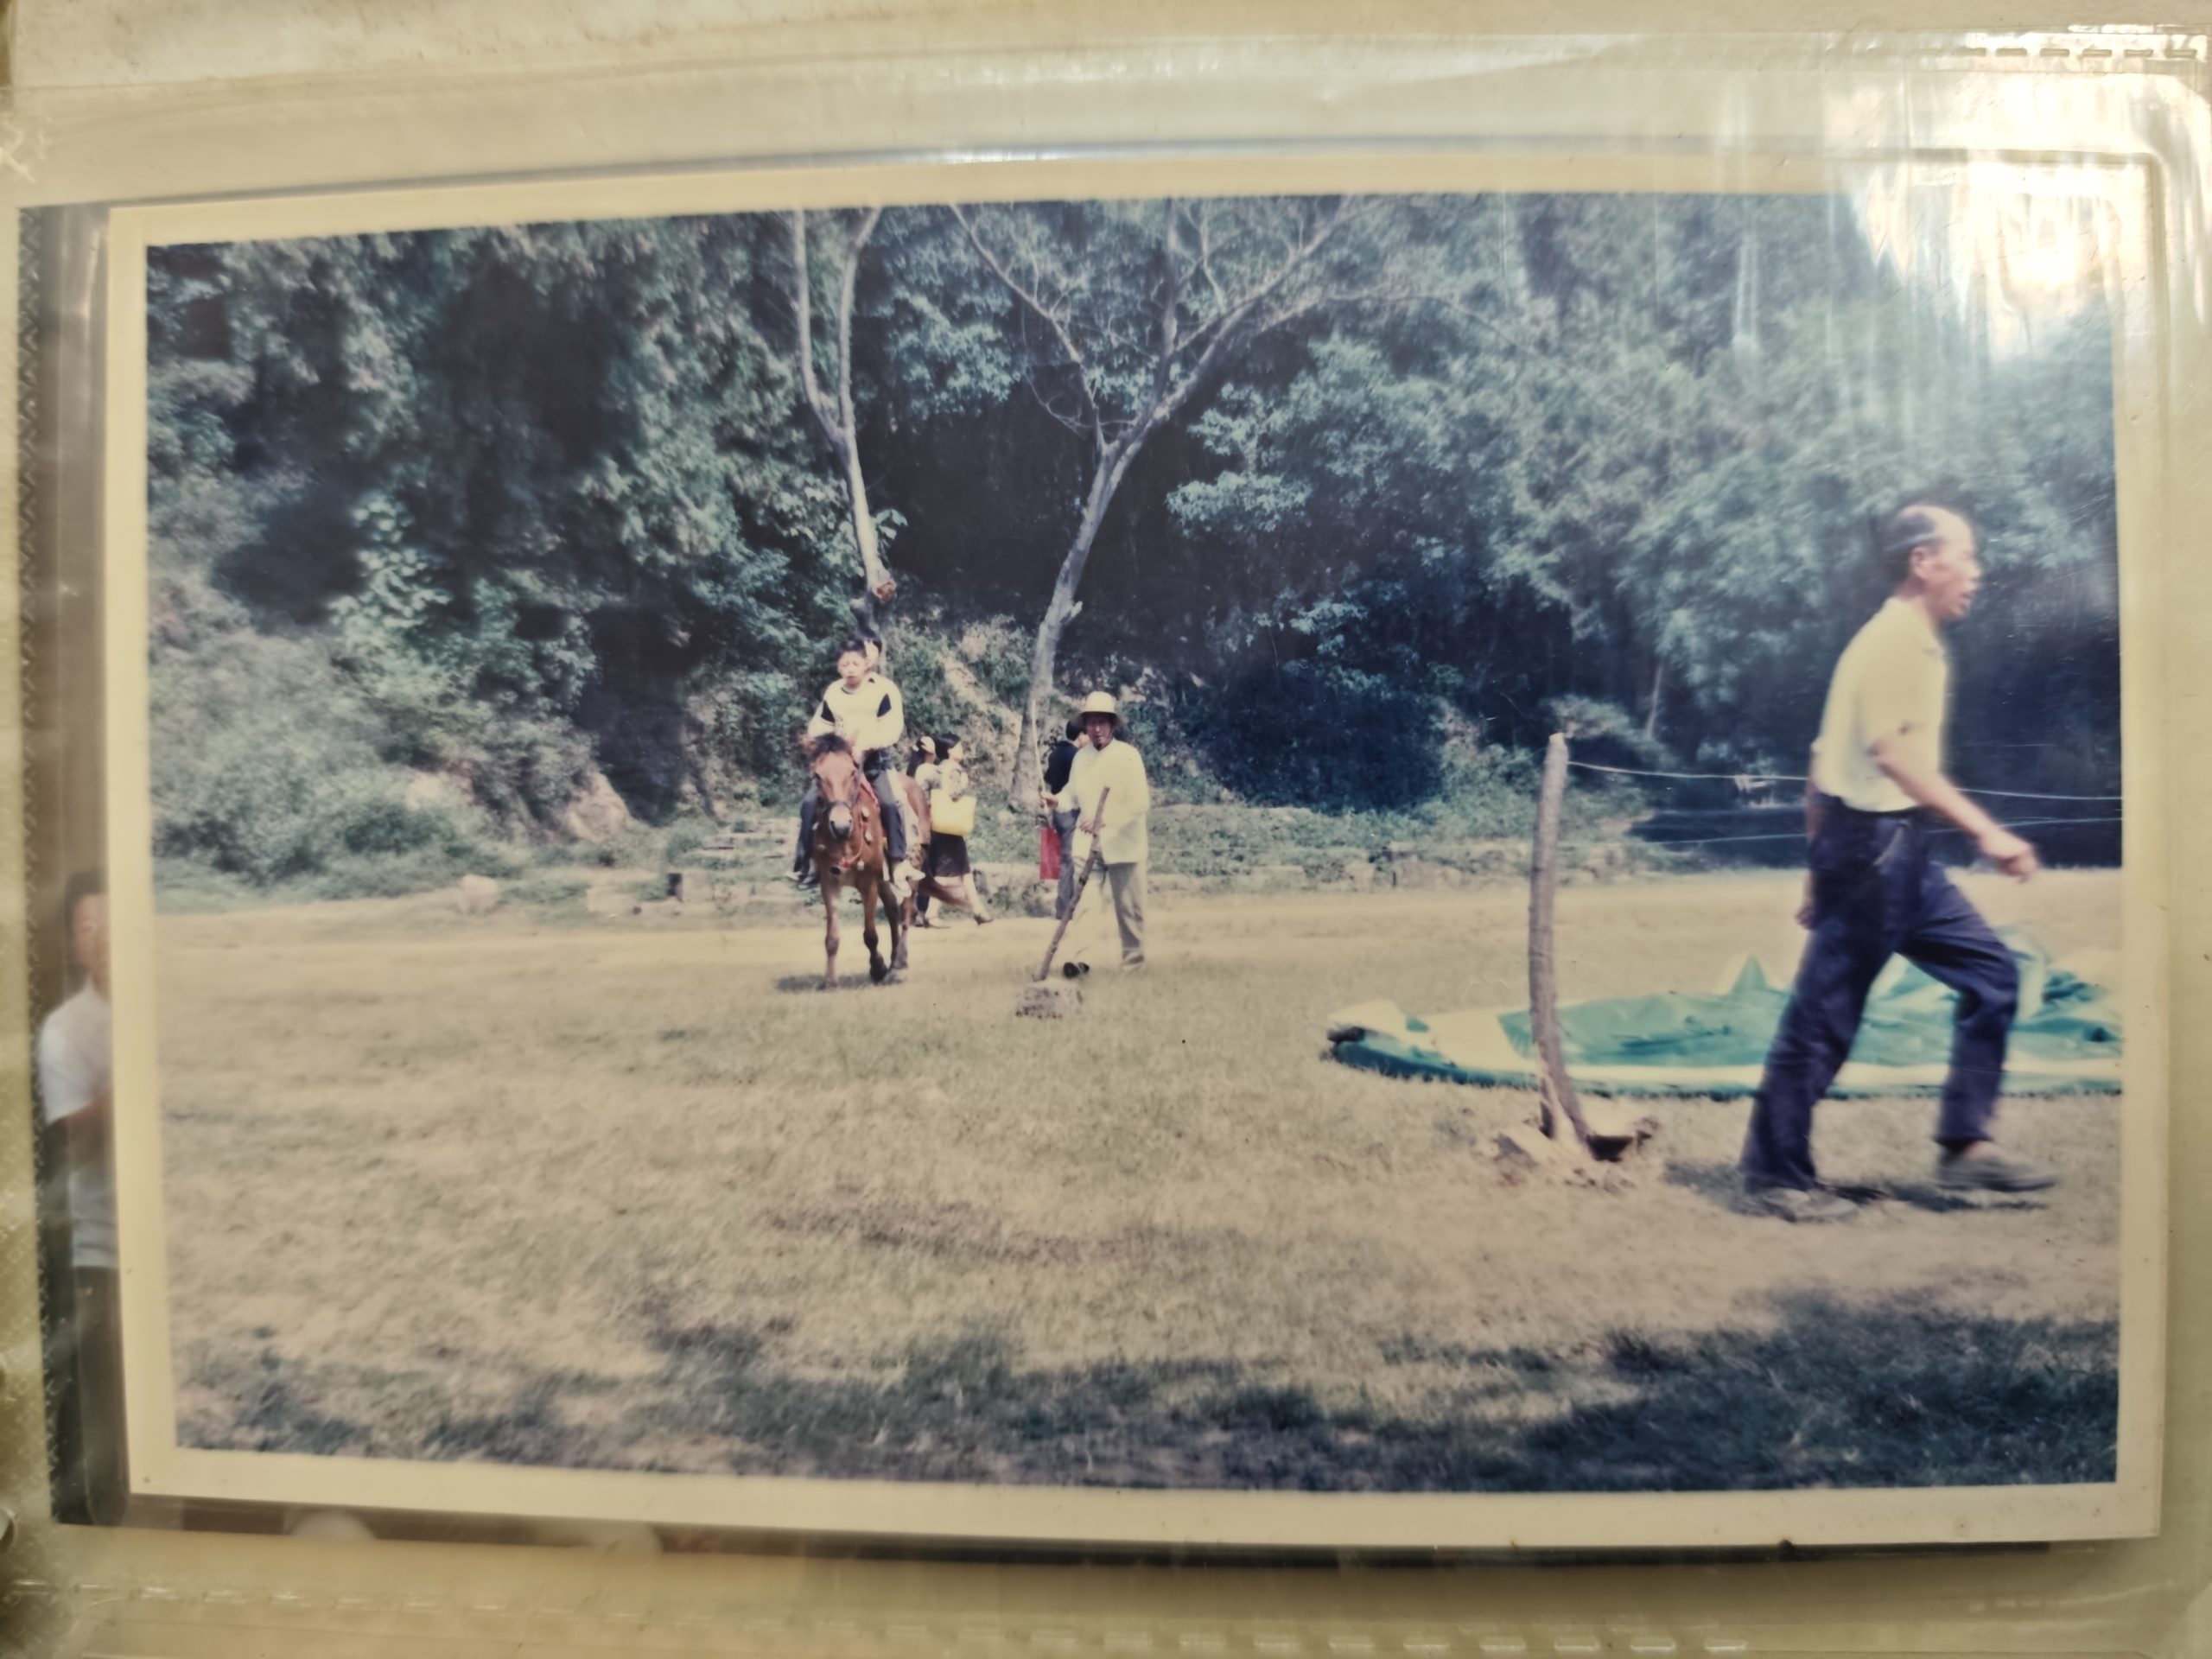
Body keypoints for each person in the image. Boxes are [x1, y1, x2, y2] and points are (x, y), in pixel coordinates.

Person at [1739, 502, 2052, 1224]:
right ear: (1922, 561)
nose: (1976, 572)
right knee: (1825, 1016)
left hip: (1897, 852)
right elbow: (1891, 756)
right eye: (1965, 555)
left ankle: (1965, 1147)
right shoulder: (1890, 644)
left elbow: (1821, 761)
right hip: (1872, 850)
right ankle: (1775, 1177)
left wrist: (1815, 874)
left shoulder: (1917, 645)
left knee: (1993, 976)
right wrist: (1988, 832)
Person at [41, 870, 125, 1522]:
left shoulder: (167, 1006)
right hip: (102, 1250)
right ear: (74, 943)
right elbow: (75, 1140)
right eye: (86, 927)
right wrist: (127, 1084)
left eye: (110, 923)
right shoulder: (66, 1030)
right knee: (103, 1412)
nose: (100, 938)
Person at [790, 638, 912, 897]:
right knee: (809, 803)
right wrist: (821, 745)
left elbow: (892, 727)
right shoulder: (834, 692)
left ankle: (897, 861)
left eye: (855, 663)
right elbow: (820, 725)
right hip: (840, 764)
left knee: (891, 802)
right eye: (845, 664)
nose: (851, 669)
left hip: (873, 760)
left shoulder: (882, 691)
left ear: (866, 664)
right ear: (838, 666)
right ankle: (806, 863)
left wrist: (867, 745)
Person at [1042, 691, 1151, 974]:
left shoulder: (1128, 756)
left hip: (1124, 845)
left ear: (1112, 724)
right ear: (1085, 726)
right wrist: (1057, 801)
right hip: (1088, 846)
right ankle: (1082, 961)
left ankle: (1134, 966)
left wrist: (1104, 820)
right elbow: (1072, 794)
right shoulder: (1081, 758)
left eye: (1102, 722)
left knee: (1129, 910)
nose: (1097, 728)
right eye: (1091, 723)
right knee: (1084, 904)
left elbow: (1140, 802)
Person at [919, 734, 994, 926]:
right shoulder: (954, 770)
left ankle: (978, 910)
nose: (962, 750)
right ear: (950, 750)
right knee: (944, 873)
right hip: (949, 827)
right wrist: (964, 784)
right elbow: (953, 793)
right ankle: (931, 914)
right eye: (958, 747)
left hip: (940, 825)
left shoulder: (937, 769)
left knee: (964, 870)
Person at [1042, 715, 1084, 921]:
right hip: (1070, 810)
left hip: (1056, 808)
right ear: (1081, 735)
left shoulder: (1056, 753)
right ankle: (1065, 907)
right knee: (1069, 859)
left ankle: (1066, 905)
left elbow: (1049, 778)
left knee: (1064, 858)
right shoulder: (1078, 757)